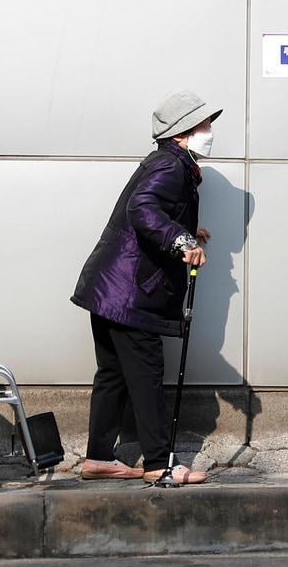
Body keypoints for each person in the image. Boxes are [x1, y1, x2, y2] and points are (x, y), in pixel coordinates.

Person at [72, 90, 220, 486]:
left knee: (113, 375)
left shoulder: (167, 162)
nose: (210, 132)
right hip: (130, 294)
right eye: (205, 125)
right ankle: (159, 464)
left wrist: (187, 231)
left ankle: (98, 458)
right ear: (182, 133)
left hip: (109, 288)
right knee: (146, 376)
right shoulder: (171, 165)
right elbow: (143, 209)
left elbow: (152, 212)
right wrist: (181, 240)